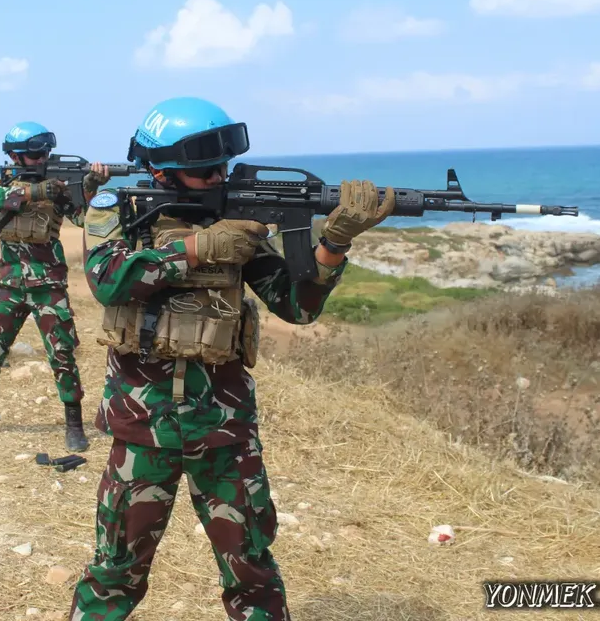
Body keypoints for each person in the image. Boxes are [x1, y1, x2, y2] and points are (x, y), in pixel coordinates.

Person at [68, 97, 395, 621]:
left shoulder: (236, 214)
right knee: (115, 572)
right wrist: (200, 248)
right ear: (162, 171)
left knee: (252, 571)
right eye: (204, 172)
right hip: (141, 427)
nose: (220, 176)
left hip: (224, 429)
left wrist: (332, 244)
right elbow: (109, 281)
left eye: (222, 166)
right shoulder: (117, 205)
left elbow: (297, 306)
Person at [0, 122, 104, 451]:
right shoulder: (0, 180)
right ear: (16, 156)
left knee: (62, 354)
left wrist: (89, 185)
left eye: (44, 154)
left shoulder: (59, 185)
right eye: (34, 154)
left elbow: (80, 217)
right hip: (10, 285)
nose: (41, 159)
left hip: (48, 284)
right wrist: (37, 191)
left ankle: (74, 424)